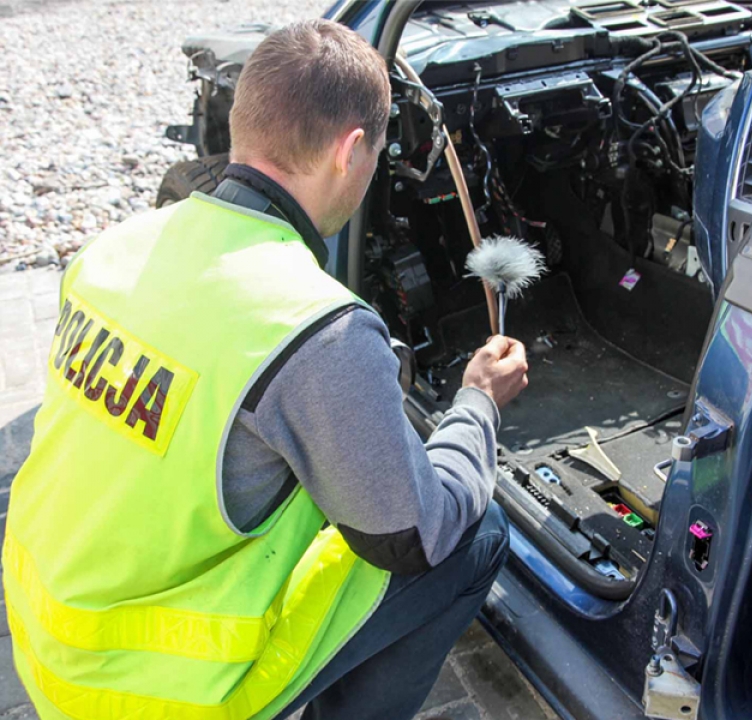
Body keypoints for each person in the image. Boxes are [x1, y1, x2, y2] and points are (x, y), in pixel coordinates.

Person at [3, 19, 528, 720]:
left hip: (48, 637)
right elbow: (412, 535)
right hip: (155, 693)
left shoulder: (114, 250)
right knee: (475, 533)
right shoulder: (316, 328)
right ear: (350, 152)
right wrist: (476, 405)